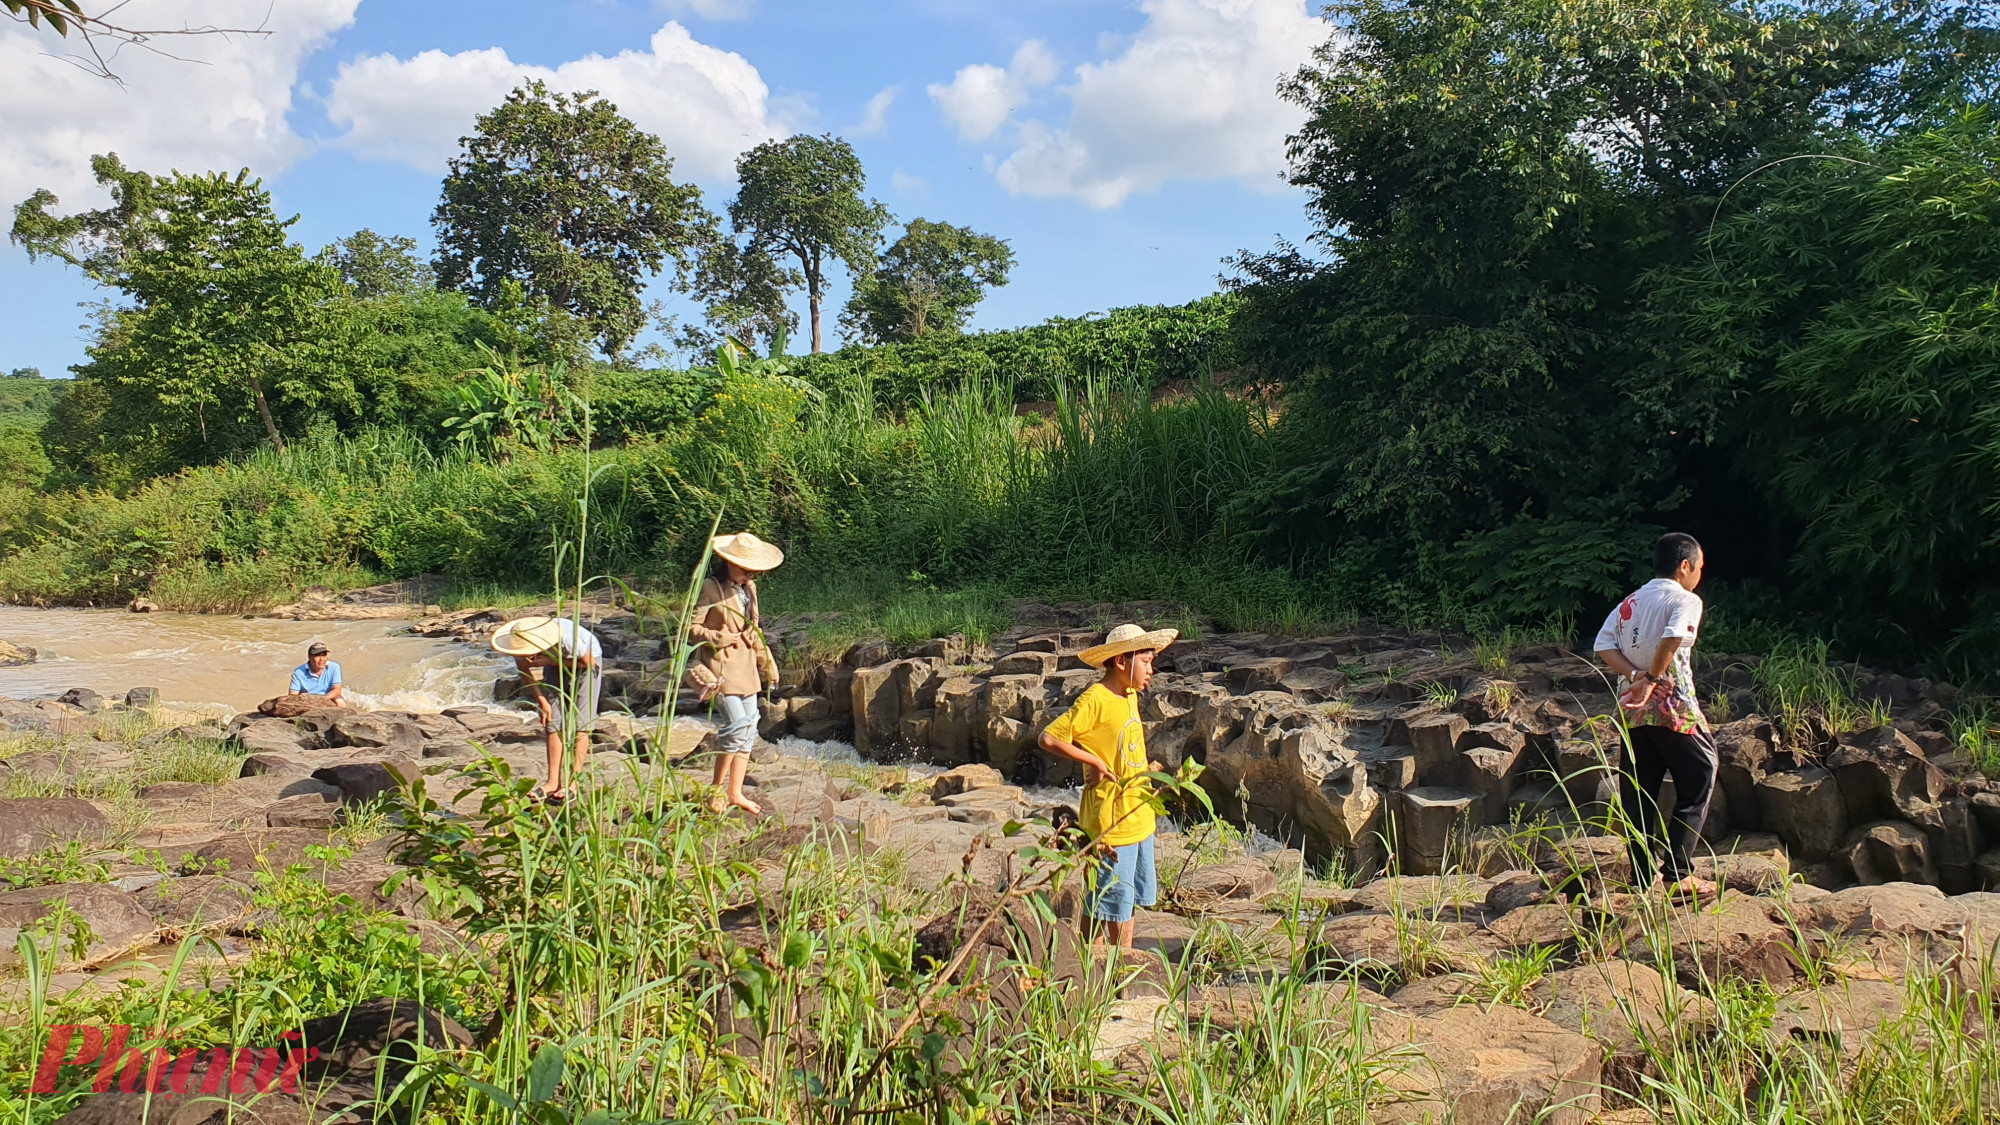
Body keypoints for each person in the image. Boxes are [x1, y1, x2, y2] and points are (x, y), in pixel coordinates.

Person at [1036, 622, 1178, 952]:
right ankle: (1116, 971)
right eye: (1145, 661)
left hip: (1138, 816)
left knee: (1116, 900)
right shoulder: (1095, 699)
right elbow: (1049, 738)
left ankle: (1090, 963)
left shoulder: (1128, 695)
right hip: (1111, 824)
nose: (1151, 670)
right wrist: (1094, 762)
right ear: (1121, 662)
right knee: (1112, 900)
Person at [1593, 532, 1719, 899]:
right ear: (1684, 566)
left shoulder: (1631, 601)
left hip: (1632, 710)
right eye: (1699, 567)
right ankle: (1679, 874)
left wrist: (1634, 678)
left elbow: (1603, 644)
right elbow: (1673, 636)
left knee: (1640, 791)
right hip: (1670, 707)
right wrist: (1650, 679)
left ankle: (1643, 876)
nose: (1699, 575)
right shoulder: (1686, 599)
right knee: (1701, 772)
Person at [691, 532, 784, 816]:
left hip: (745, 666)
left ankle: (735, 792)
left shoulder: (750, 589)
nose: (750, 574)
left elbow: (752, 631)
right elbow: (690, 629)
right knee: (735, 727)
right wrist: (716, 636)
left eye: (754, 570)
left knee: (748, 730)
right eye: (745, 569)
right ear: (729, 563)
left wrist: (767, 663)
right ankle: (715, 791)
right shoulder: (710, 587)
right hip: (720, 666)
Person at [490, 614, 603, 804]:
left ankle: (573, 783)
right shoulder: (518, 644)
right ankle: (552, 782)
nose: (527, 657)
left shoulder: (567, 638)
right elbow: (525, 673)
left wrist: (549, 661)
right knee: (553, 721)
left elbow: (589, 663)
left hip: (586, 660)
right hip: (552, 661)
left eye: (531, 653)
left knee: (581, 723)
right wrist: (542, 702)